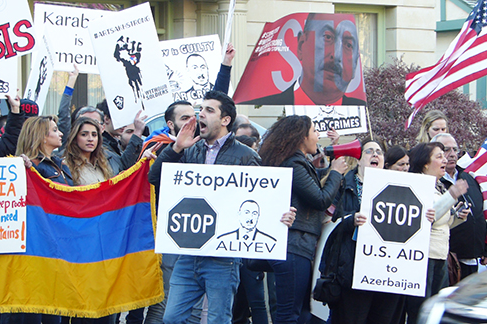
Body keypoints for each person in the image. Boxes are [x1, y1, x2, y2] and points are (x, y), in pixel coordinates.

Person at [149, 90, 296, 324]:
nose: (200, 115)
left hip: (222, 258)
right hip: (189, 253)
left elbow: (264, 199)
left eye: (209, 110)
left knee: (218, 319)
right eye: (201, 110)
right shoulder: (189, 149)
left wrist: (281, 216)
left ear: (225, 120)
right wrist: (176, 148)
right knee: (171, 318)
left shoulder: (246, 156)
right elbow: (154, 178)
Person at [259, 115, 347, 323]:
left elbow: (314, 186)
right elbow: (320, 199)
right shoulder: (294, 164)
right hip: (294, 246)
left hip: (297, 246)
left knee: (298, 313)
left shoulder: (296, 163)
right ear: (301, 136)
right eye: (314, 131)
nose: (318, 136)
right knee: (289, 314)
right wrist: (335, 173)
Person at [321, 139, 405, 324]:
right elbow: (327, 221)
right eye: (369, 151)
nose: (375, 154)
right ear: (358, 160)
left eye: (379, 152)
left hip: (386, 273)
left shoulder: (400, 187)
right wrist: (351, 220)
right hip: (352, 270)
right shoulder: (344, 186)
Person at [406, 142, 470, 324]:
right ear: (425, 163)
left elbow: (441, 223)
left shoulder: (438, 187)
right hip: (423, 258)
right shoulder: (417, 185)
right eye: (439, 156)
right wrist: (452, 195)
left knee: (435, 310)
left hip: (440, 256)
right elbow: (427, 218)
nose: (446, 159)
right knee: (421, 310)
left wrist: (457, 217)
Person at [247, 13, 365, 106]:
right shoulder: (273, 104)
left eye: (348, 45)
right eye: (328, 37)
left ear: (356, 63)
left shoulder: (362, 112)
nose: (337, 55)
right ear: (301, 45)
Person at [431, 133, 487, 279]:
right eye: (446, 150)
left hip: (474, 258)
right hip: (448, 260)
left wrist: (486, 248)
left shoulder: (469, 178)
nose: (452, 154)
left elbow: (481, 213)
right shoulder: (433, 182)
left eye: (455, 150)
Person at [16, 116, 73, 186]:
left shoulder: (61, 163)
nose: (61, 134)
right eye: (55, 130)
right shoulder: (31, 165)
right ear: (42, 136)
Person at [63, 117, 113, 186]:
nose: (90, 139)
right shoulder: (66, 165)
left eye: (94, 135)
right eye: (84, 134)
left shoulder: (103, 164)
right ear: (75, 137)